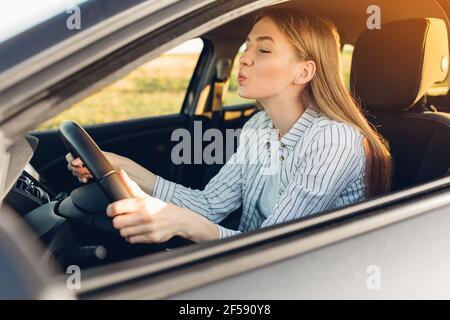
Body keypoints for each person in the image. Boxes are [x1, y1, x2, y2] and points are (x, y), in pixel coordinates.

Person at [66, 8, 393, 244]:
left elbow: (272, 246)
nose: (245, 58)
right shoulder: (258, 127)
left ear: (304, 72)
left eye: (263, 49)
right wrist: (122, 168)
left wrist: (183, 223)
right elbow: (209, 205)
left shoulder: (335, 140)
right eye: (247, 46)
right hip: (246, 264)